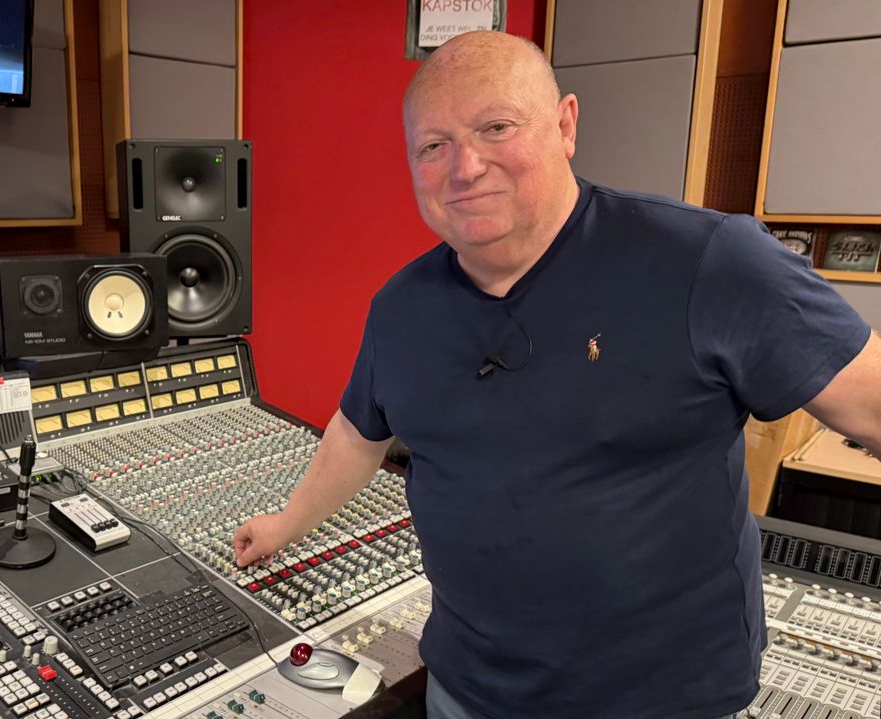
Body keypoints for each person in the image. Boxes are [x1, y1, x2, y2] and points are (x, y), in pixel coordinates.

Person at [232, 30, 881, 719]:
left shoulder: (710, 261)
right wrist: (284, 524)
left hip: (664, 702)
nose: (466, 166)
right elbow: (358, 433)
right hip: (467, 688)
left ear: (566, 125)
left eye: (496, 127)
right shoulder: (400, 307)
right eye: (434, 145)